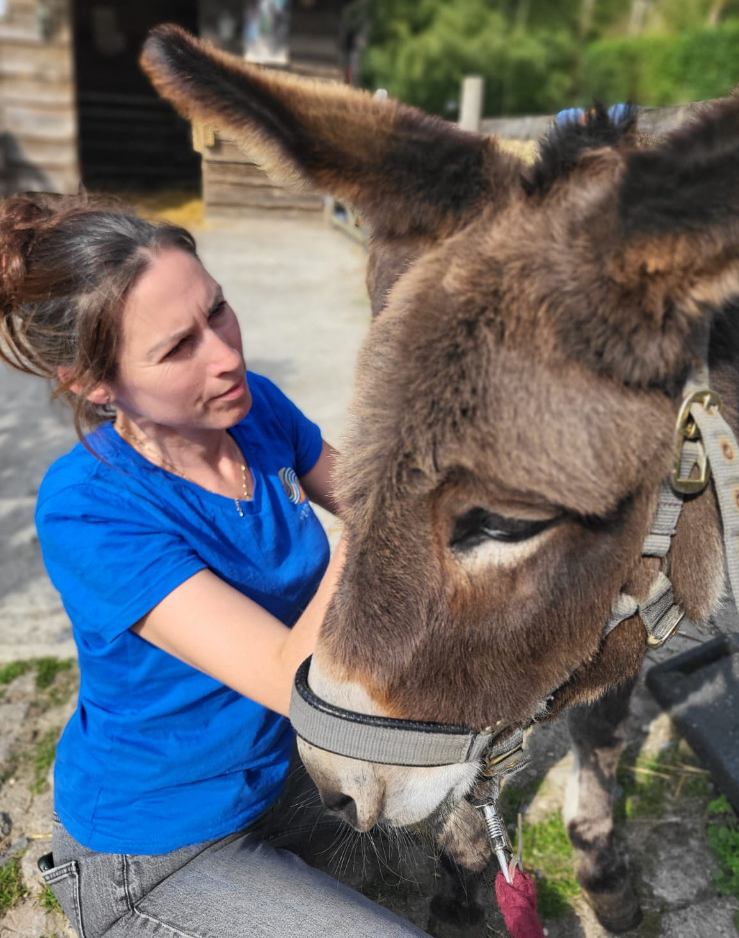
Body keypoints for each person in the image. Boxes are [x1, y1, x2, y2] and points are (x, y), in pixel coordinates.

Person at [0, 193, 427, 938]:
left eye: (218, 311)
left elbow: (361, 493)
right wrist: (387, 499)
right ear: (92, 384)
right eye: (177, 348)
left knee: (434, 857)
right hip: (158, 845)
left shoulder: (254, 408)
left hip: (277, 773)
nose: (227, 354)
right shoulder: (88, 509)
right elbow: (283, 671)